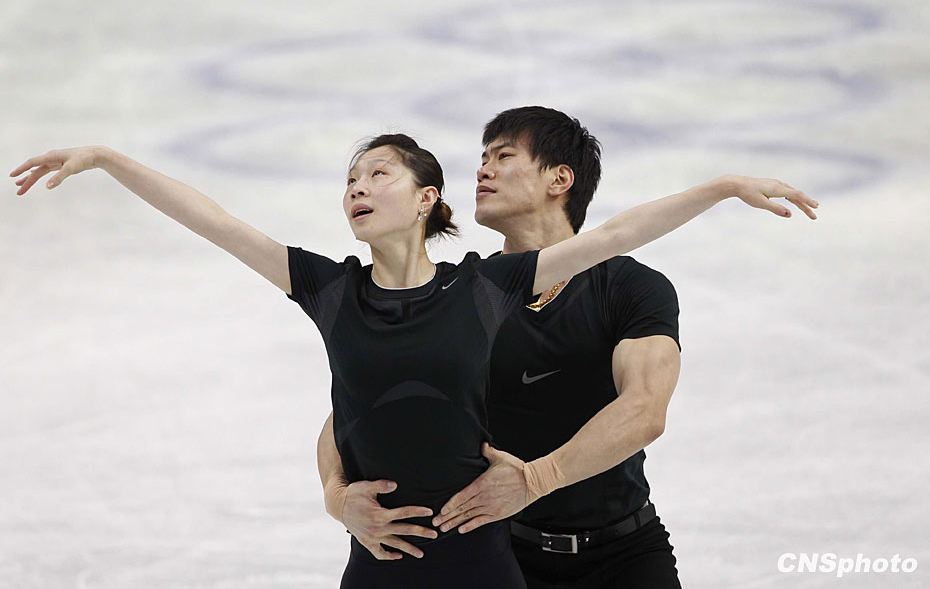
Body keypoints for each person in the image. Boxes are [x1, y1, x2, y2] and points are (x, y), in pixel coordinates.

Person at [9, 137, 817, 588]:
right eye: (349, 180)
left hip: (485, 565)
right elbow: (216, 223)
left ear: (427, 197)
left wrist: (720, 186)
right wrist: (109, 160)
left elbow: (613, 236)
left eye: (378, 173)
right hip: (377, 564)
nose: (357, 188)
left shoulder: (485, 289)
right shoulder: (329, 290)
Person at [315, 108, 819, 588]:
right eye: (483, 158)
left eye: (503, 156)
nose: (483, 170)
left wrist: (537, 480)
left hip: (623, 553)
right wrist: (337, 496)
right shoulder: (466, 299)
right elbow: (357, 409)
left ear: (559, 179)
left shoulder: (630, 287)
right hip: (504, 554)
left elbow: (644, 410)